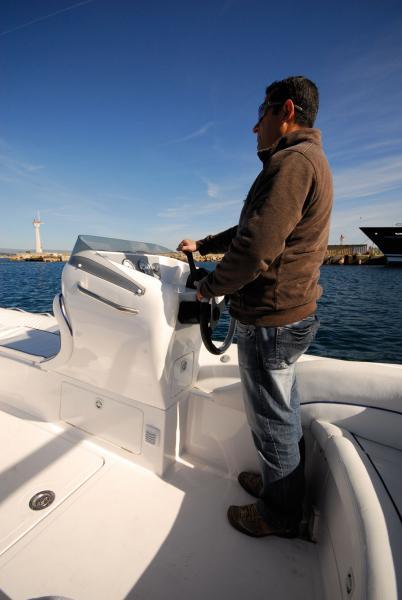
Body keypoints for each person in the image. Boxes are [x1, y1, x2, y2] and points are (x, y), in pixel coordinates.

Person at [177, 75, 333, 538]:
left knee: (273, 423)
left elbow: (256, 248)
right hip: (288, 316)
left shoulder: (293, 164)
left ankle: (279, 514)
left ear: (285, 111)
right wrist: (203, 245)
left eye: (260, 113)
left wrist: (209, 288)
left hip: (272, 320)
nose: (253, 126)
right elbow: (252, 224)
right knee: (282, 413)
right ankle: (279, 487)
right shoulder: (303, 161)